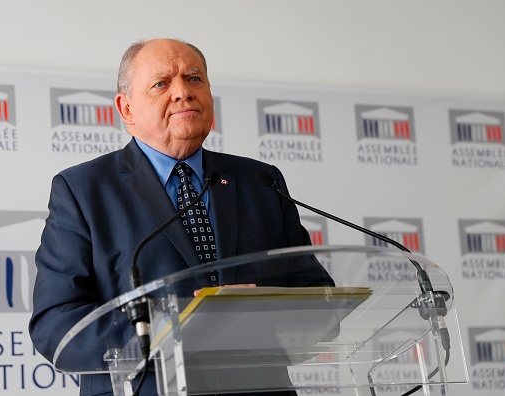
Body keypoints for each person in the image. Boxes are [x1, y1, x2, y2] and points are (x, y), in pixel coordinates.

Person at [29, 38, 333, 396]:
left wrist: (259, 311)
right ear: (126, 109)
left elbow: (317, 298)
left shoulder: (260, 181)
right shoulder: (83, 189)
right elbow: (56, 326)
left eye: (194, 79)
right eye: (161, 83)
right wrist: (174, 327)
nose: (183, 93)